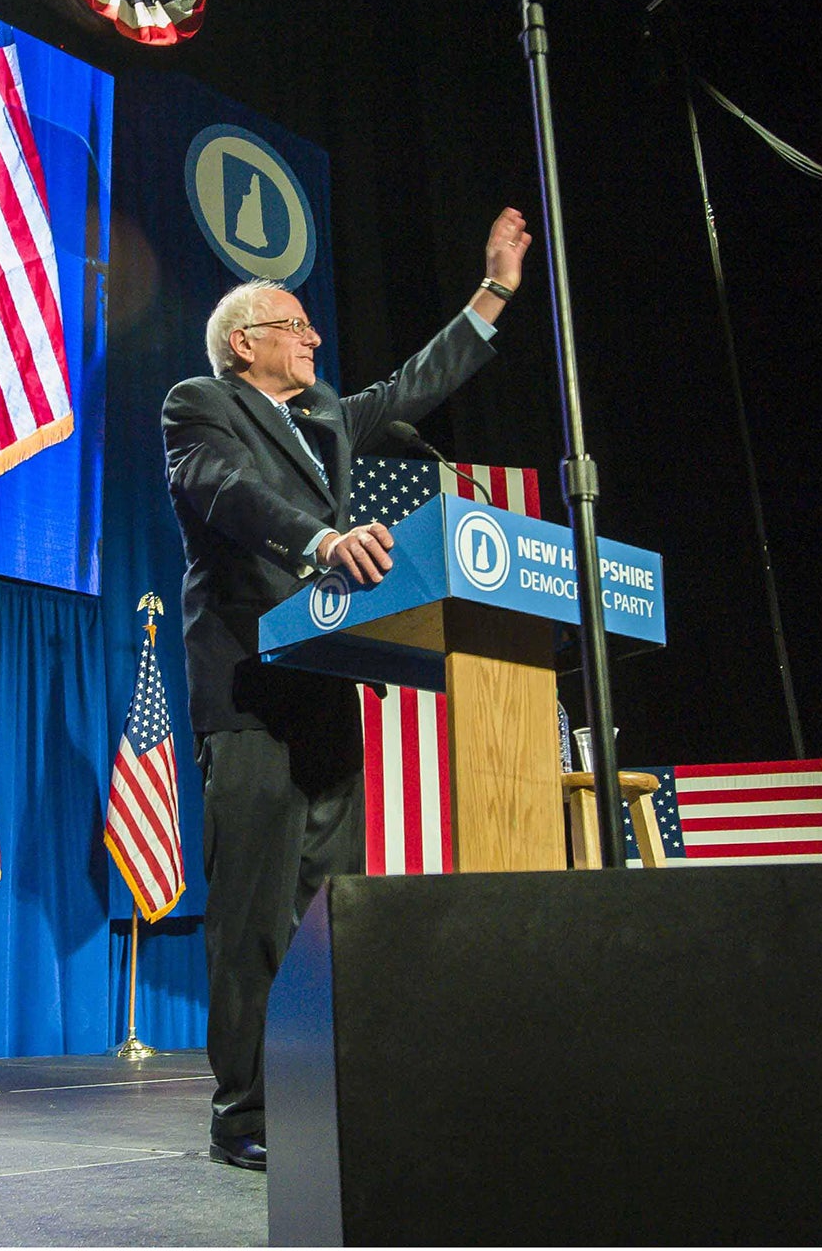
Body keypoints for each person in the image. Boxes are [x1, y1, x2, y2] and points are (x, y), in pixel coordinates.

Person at [162, 207, 532, 1172]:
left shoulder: (325, 416)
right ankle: (244, 1115)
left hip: (329, 688)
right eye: (296, 323)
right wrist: (321, 540)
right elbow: (227, 495)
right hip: (248, 691)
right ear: (245, 342)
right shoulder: (199, 403)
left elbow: (416, 382)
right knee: (251, 916)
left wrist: (494, 289)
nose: (314, 336)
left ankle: (316, 1095)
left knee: (327, 910)